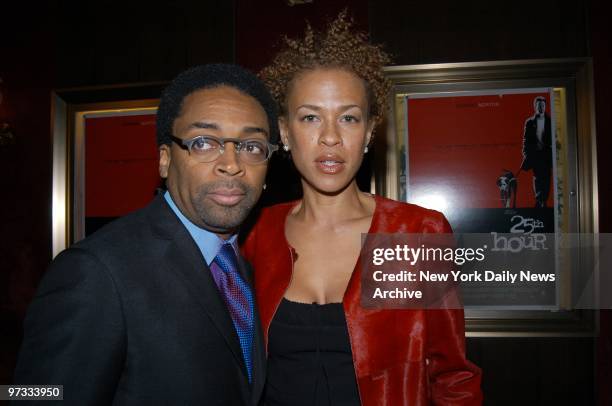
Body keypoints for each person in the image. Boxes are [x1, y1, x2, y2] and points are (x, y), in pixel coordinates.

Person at [242, 12, 482, 405]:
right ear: (284, 132)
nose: (331, 137)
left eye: (349, 118)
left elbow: (452, 375)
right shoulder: (255, 231)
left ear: (369, 132)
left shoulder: (415, 231)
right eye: (311, 117)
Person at [13, 64, 279, 405]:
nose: (231, 163)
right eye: (202, 142)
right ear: (165, 160)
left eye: (252, 146)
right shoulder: (95, 271)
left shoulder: (246, 266)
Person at [520, 95, 552, 208]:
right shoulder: (529, 122)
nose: (540, 108)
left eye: (542, 105)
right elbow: (526, 140)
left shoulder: (550, 122)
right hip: (535, 156)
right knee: (537, 178)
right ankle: (539, 200)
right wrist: (526, 154)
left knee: (546, 178)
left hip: (547, 156)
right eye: (538, 105)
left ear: (546, 106)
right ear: (535, 107)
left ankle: (544, 200)